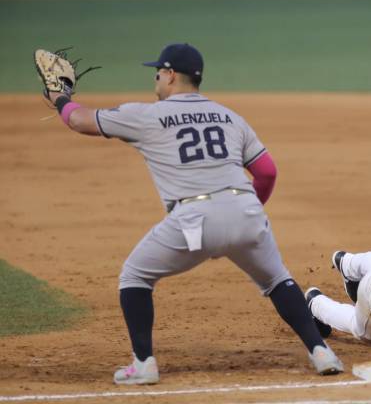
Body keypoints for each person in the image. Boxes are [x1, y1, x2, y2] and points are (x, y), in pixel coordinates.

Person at [41, 43, 344, 384]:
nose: (155, 79)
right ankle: (321, 353)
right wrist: (247, 213)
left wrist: (59, 96)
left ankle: (143, 365)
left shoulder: (146, 115)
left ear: (171, 75)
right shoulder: (230, 117)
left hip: (194, 219)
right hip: (245, 209)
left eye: (157, 72)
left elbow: (80, 121)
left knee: (134, 277)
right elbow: (267, 172)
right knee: (278, 281)